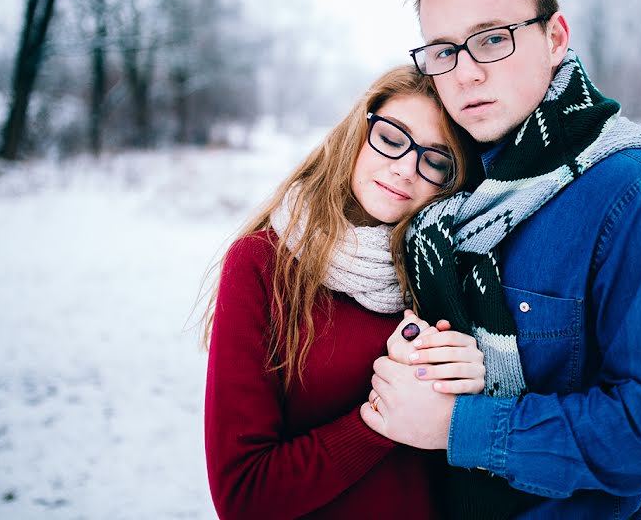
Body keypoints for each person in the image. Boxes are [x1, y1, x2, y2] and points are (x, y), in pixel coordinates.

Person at [360, 0, 641, 520]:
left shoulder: (639, 193)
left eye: (492, 40)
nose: (466, 74)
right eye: (443, 50)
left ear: (555, 38)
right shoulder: (446, 185)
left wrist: (461, 426)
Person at [202, 65, 485, 519]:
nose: (405, 169)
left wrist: (478, 386)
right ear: (360, 130)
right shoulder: (262, 264)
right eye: (393, 139)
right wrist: (384, 416)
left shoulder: (445, 273)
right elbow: (243, 493)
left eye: (435, 160)